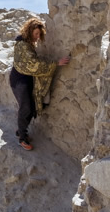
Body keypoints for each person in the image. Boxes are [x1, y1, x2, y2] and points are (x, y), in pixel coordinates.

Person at [9, 17, 69, 150]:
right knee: (25, 108)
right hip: (18, 81)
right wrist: (55, 64)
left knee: (31, 106)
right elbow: (33, 64)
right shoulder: (22, 45)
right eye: (36, 34)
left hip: (27, 80)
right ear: (29, 31)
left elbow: (33, 63)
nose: (37, 37)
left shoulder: (28, 44)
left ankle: (20, 130)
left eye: (39, 35)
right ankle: (22, 138)